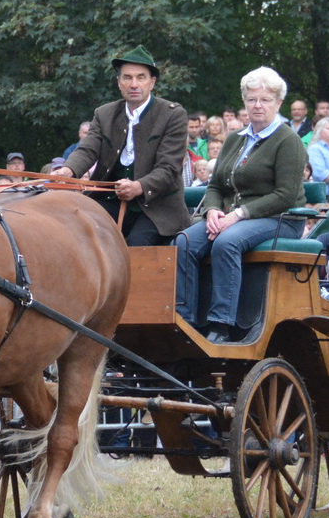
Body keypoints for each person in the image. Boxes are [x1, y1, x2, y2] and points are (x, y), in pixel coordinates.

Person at [175, 67, 306, 344]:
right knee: (184, 241)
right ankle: (183, 320)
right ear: (244, 102)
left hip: (281, 219)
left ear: (278, 103)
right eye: (252, 99)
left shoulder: (288, 141)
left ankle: (221, 323)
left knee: (227, 242)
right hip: (229, 217)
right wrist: (211, 211)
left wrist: (236, 215)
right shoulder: (235, 139)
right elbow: (215, 186)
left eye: (265, 100)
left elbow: (285, 195)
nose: (257, 105)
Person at [53, 47, 190, 246]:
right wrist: (68, 170)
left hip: (156, 208)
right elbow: (87, 149)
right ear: (119, 83)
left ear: (152, 82)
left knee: (134, 246)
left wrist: (139, 186)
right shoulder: (104, 113)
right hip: (110, 201)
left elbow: (169, 168)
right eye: (127, 77)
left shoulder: (172, 114)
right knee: (71, 233)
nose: (134, 84)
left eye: (141, 77)